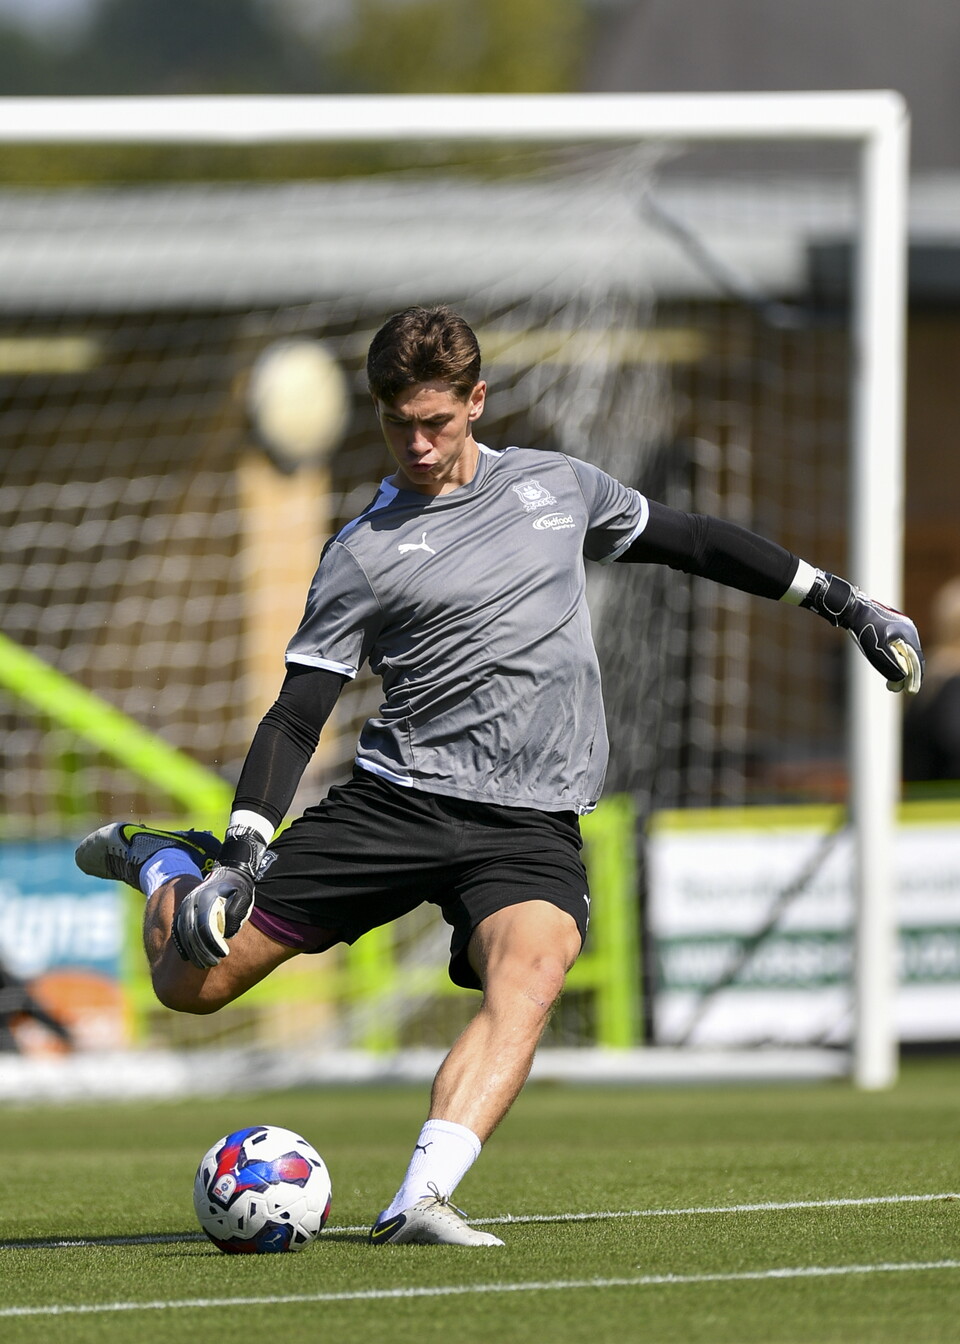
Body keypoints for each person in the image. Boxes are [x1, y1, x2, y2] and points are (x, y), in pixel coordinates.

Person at [76, 305, 924, 1247]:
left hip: (530, 823)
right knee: (192, 987)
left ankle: (420, 1198)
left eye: (438, 421)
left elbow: (694, 541)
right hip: (399, 802)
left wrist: (846, 604)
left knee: (533, 970)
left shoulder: (560, 490)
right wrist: (239, 849)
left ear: (477, 403)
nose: (419, 444)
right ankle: (162, 861)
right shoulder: (361, 551)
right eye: (400, 424)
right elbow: (295, 713)